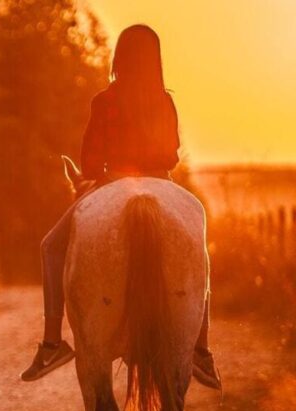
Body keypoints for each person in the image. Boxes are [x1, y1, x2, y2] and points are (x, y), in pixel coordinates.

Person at [20, 24, 220, 388]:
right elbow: (171, 155)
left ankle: (52, 344)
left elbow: (92, 163)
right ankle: (201, 349)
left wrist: (104, 172)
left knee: (50, 247)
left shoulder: (104, 101)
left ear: (119, 57)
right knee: (199, 249)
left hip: (113, 182)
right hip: (162, 180)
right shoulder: (164, 100)